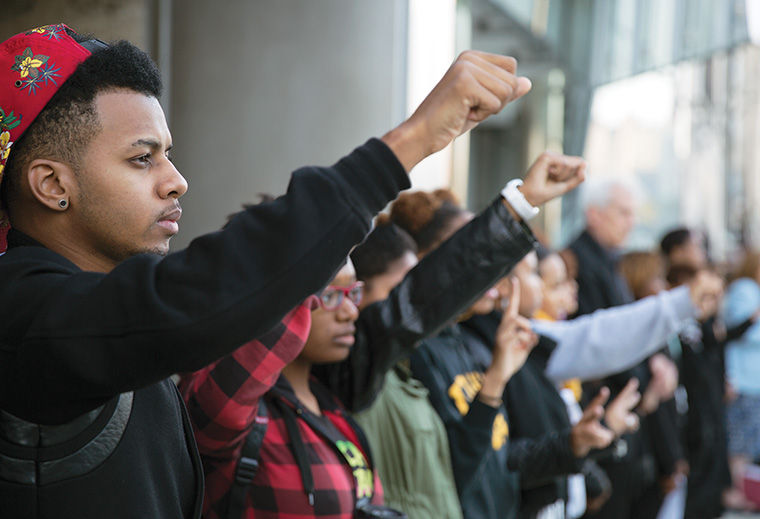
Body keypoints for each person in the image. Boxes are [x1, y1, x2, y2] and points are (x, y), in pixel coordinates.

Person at [0, 23, 534, 518]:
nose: (176, 181)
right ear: (52, 185)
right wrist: (413, 140)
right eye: (143, 158)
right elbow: (194, 296)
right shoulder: (20, 313)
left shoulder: (101, 310)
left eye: (168, 154)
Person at [181, 154, 587, 519]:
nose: (349, 309)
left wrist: (520, 203)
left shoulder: (336, 392)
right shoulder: (228, 403)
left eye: (352, 292)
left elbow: (420, 300)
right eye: (327, 292)